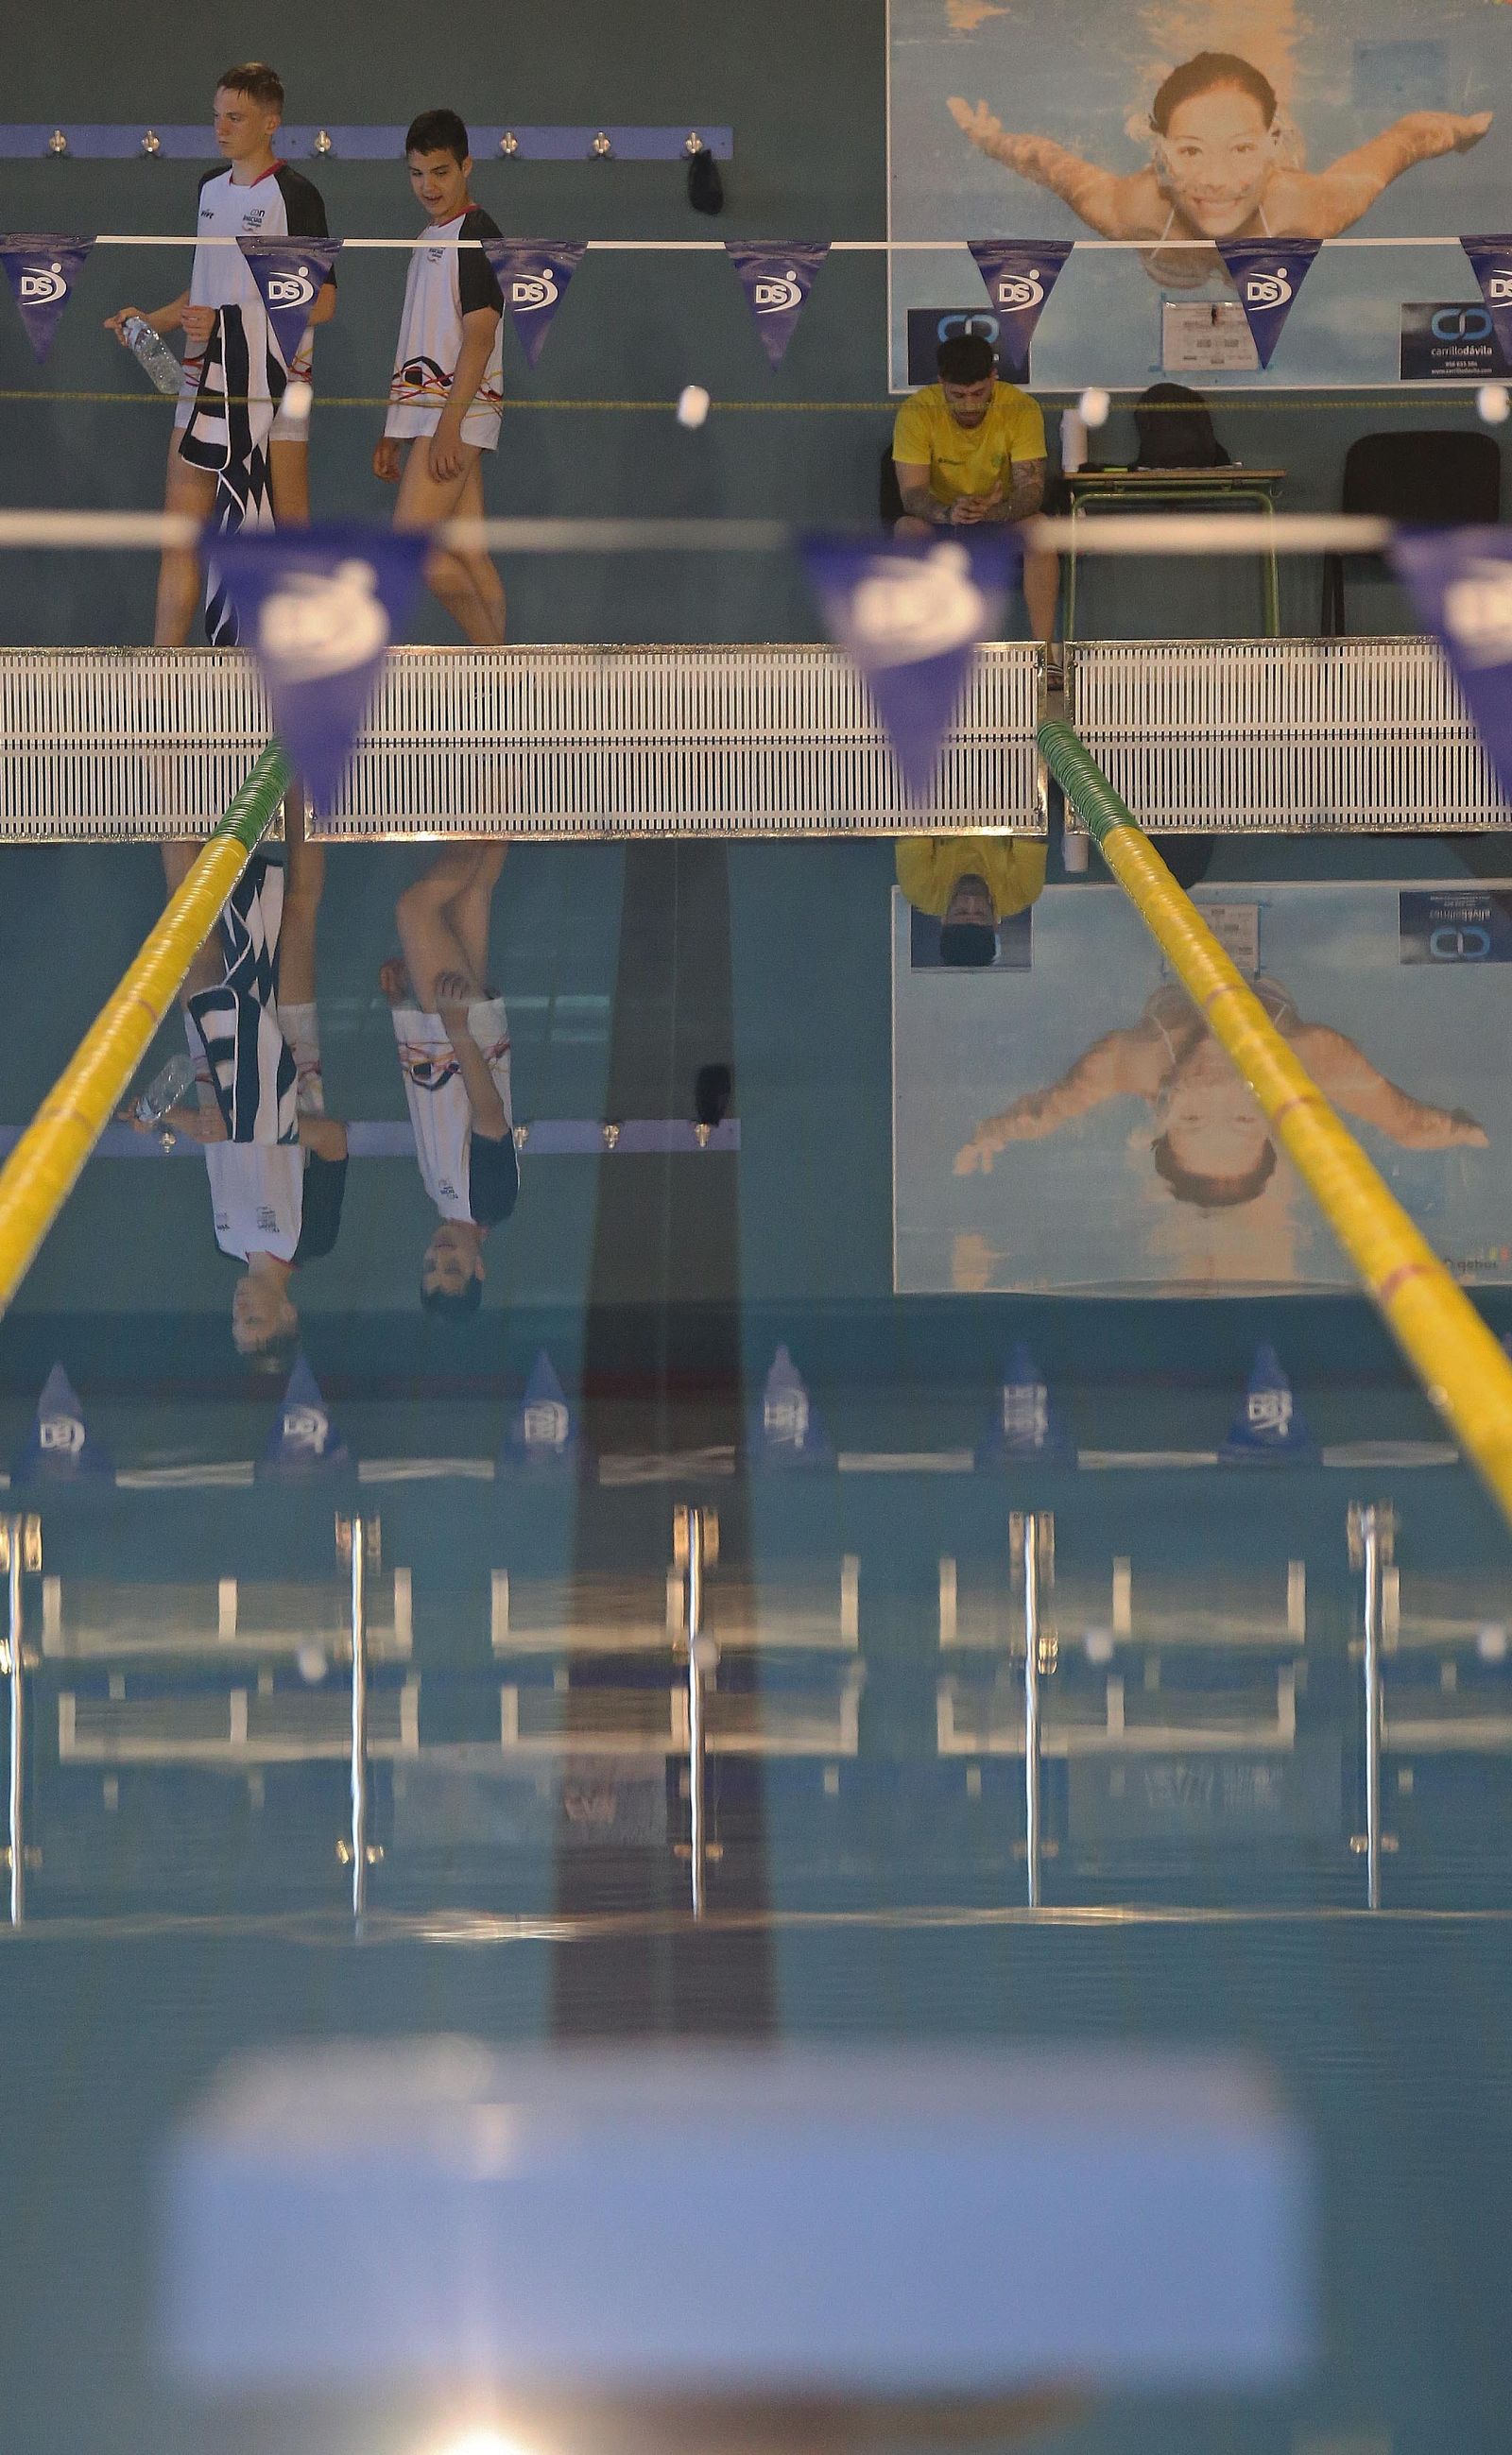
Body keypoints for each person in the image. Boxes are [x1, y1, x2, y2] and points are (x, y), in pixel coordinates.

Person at [104, 62, 336, 644]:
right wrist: (152, 319)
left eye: (235, 117)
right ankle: (165, 697)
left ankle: (294, 698)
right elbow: (204, 287)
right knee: (180, 537)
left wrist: (231, 320)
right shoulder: (209, 188)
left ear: (271, 122)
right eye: (217, 116)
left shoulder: (296, 196)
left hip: (274, 387)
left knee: (286, 536)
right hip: (202, 380)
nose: (221, 128)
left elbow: (324, 303)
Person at [948, 49, 1490, 287]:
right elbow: (1051, 164)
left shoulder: (1306, 208)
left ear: (1271, 144)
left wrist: (1463, 132)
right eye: (1189, 152)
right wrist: (993, 142)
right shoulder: (1133, 208)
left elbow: (1405, 140)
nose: (1216, 180)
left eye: (1241, 150)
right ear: (1160, 156)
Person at [128, 794, 348, 1360]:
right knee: (299, 913)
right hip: (287, 1059)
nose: (241, 1313)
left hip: (214, 1062)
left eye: (236, 1323)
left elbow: (215, 1138)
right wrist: (257, 1117)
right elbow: (333, 1140)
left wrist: (162, 1117)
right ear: (288, 1316)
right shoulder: (313, 1240)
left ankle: (165, 780)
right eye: (256, 1322)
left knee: (188, 923)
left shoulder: (225, 1242)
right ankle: (304, 781)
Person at [955, 978, 1487, 1210]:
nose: (1215, 1096)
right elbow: (1405, 1123)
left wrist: (994, 1132)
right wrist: (1466, 1132)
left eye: (1191, 1122)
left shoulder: (1130, 1061)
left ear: (1159, 1109)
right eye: (1240, 1121)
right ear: (1272, 1115)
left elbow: (1048, 1110)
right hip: (1272, 984)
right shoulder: (1310, 1055)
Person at [373, 109, 507, 643]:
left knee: (413, 553)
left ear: (466, 166)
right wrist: (393, 426)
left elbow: (479, 335)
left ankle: (498, 667)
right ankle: (511, 698)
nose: (428, 185)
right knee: (470, 554)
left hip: (454, 415)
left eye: (441, 172)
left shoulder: (476, 232)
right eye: (417, 173)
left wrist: (449, 426)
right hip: (435, 415)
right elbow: (420, 341)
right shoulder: (432, 233)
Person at [381, 845, 519, 1314]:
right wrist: (456, 1026)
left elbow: (435, 1103)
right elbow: (489, 1115)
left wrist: (404, 1010)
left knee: (474, 891)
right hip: (459, 1031)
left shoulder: (442, 1198)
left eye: (428, 1267)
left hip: (448, 1032)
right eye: (453, 1267)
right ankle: (479, 802)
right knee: (415, 908)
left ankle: (501, 791)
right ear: (479, 1268)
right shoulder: (491, 1204)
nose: (438, 1256)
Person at [892, 333, 1060, 681]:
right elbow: (911, 494)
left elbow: (1031, 491)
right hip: (944, 520)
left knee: (1041, 530)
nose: (969, 404)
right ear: (941, 384)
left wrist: (992, 511)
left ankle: (1045, 658)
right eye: (957, 396)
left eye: (978, 394)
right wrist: (949, 512)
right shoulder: (917, 412)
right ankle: (922, 656)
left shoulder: (1020, 409)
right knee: (907, 530)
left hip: (1000, 517)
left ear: (993, 380)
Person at [896, 835, 1045, 967]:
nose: (971, 901)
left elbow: (912, 818)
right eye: (980, 913)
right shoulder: (1021, 893)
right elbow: (1029, 825)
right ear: (994, 922)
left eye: (961, 911)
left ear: (944, 919)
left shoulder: (920, 891)